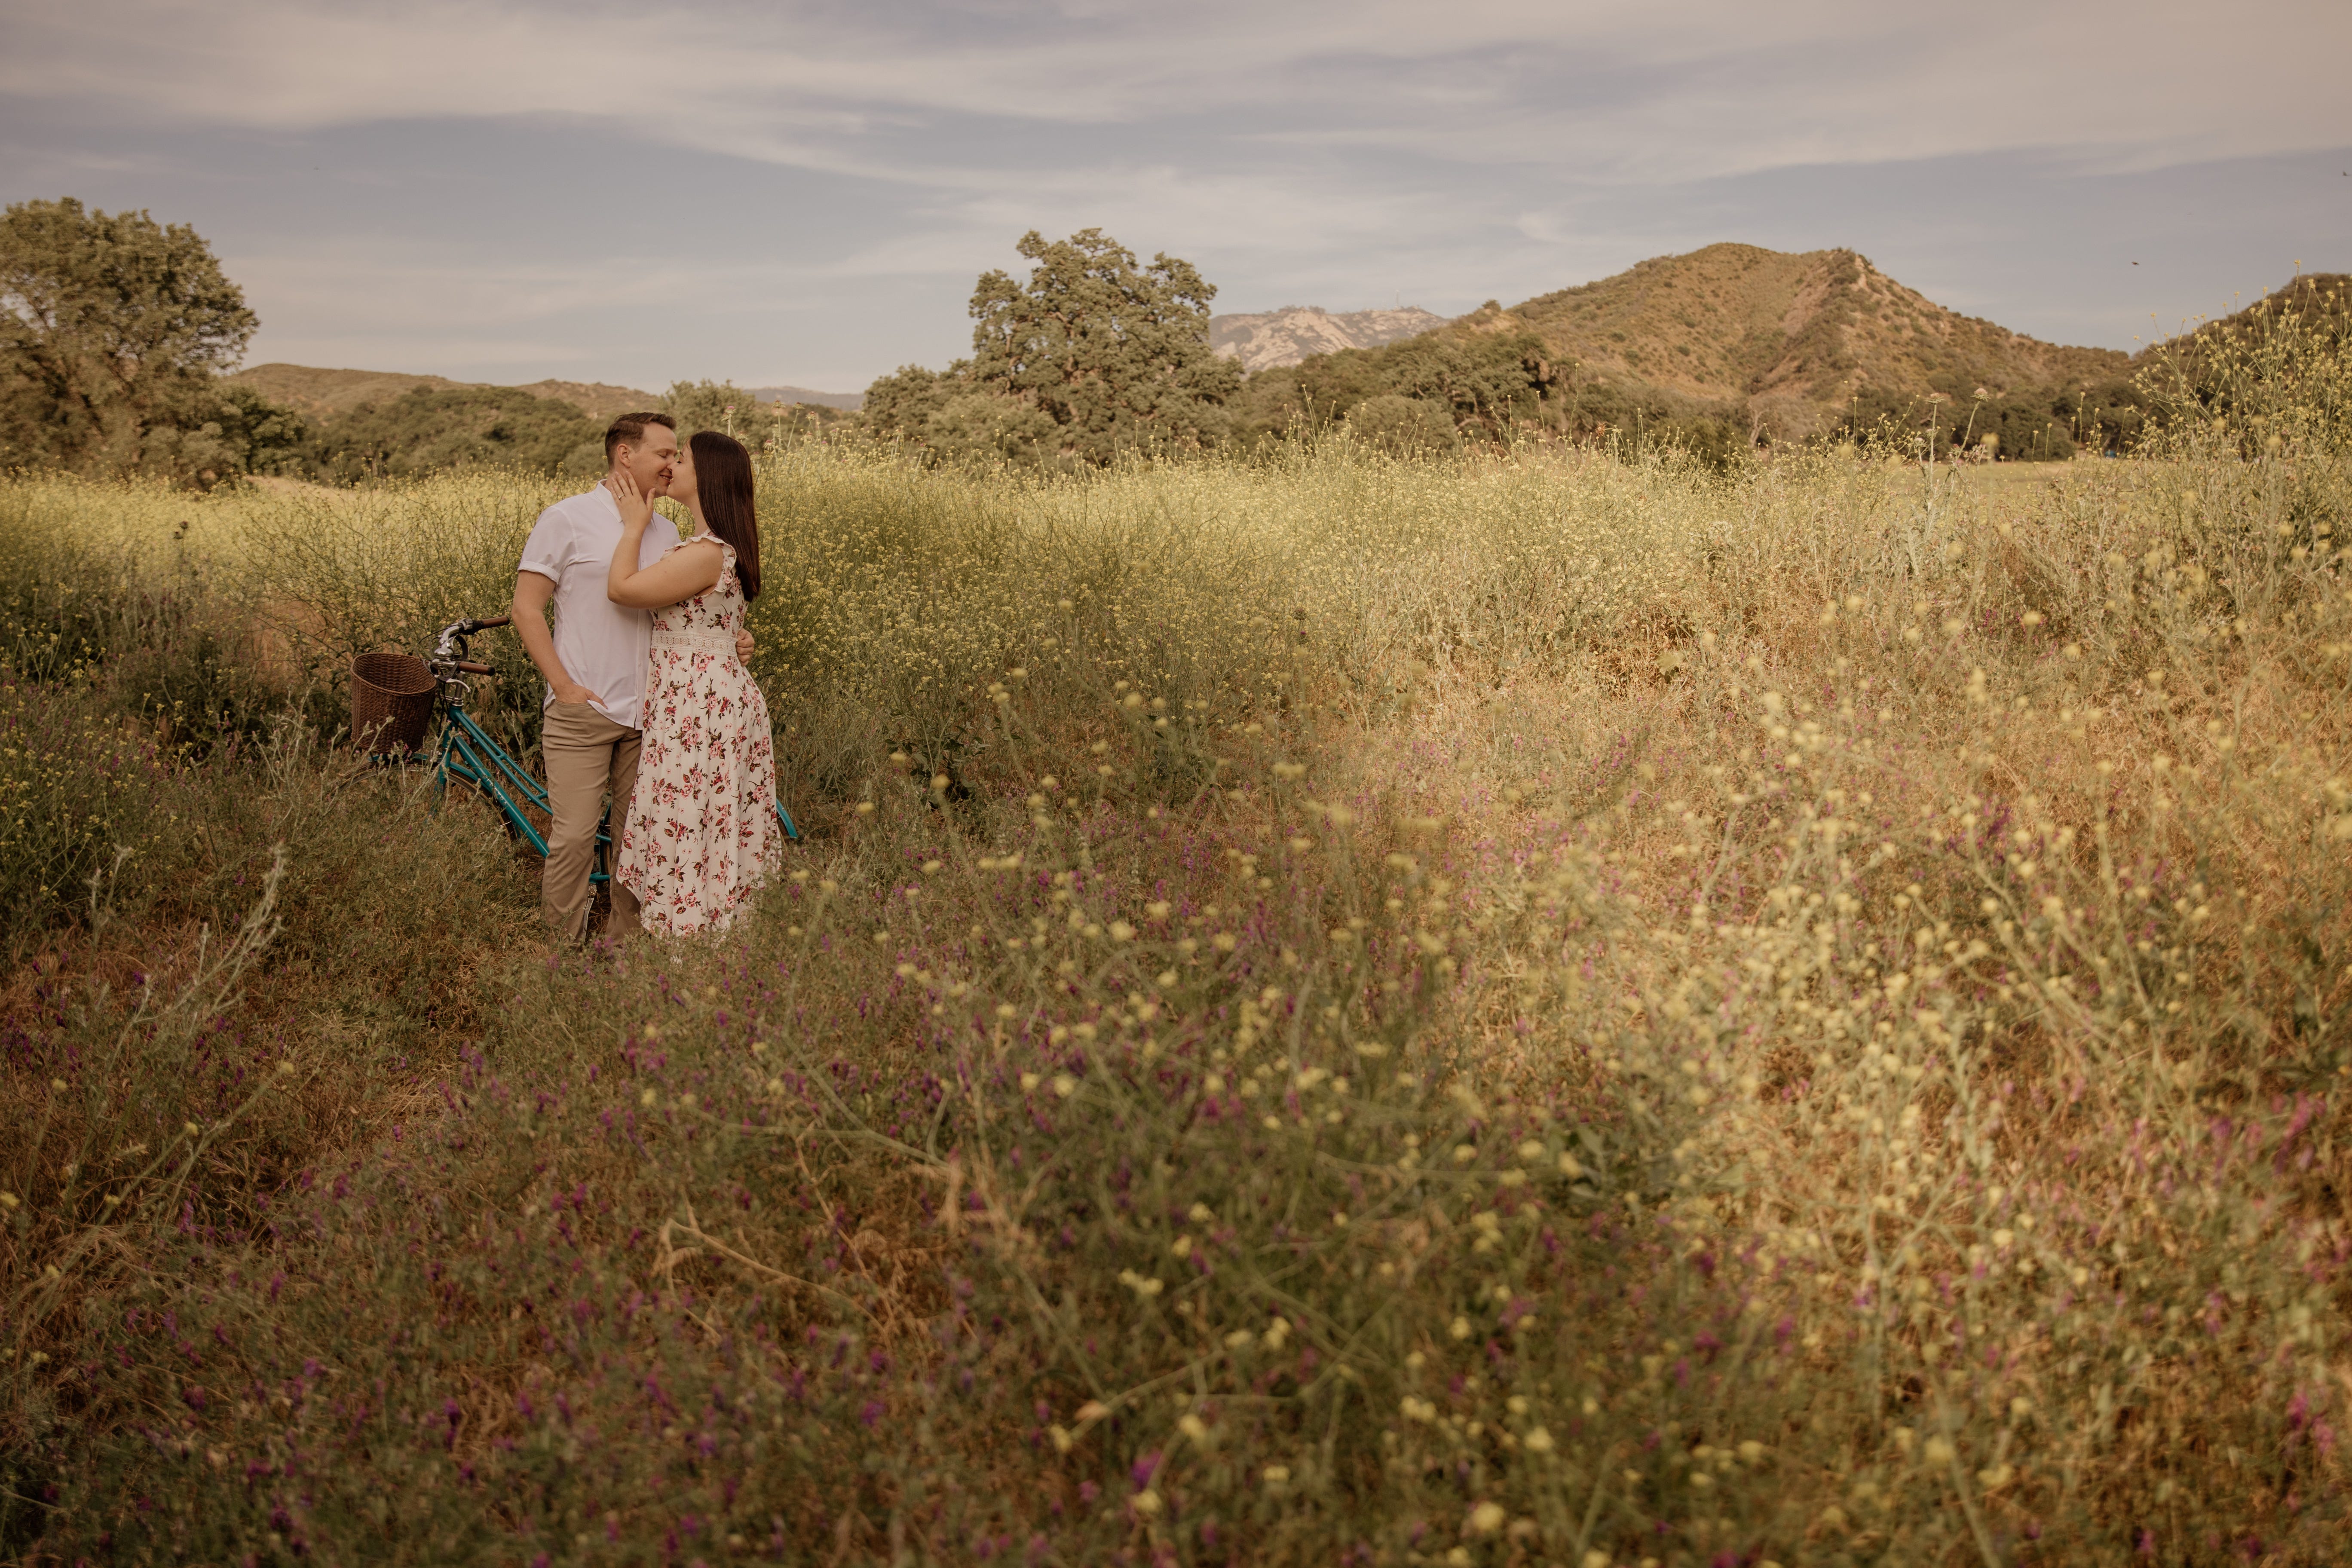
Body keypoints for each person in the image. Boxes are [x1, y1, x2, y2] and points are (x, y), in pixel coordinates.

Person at [512, 412, 753, 942]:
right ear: (626, 454)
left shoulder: (668, 530)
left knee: (638, 839)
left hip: (655, 713)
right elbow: (526, 609)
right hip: (586, 706)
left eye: (677, 456)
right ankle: (561, 951)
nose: (671, 464)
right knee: (574, 838)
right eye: (664, 454)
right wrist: (563, 687)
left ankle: (625, 951)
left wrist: (730, 638)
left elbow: (684, 605)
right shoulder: (567, 518)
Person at [605, 429, 785, 937]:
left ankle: (694, 938)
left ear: (706, 477)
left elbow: (622, 590)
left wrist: (633, 527)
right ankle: (704, 932)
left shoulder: (707, 552)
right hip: (700, 700)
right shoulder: (711, 548)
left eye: (681, 460)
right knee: (703, 816)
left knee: (691, 816)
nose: (672, 467)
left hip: (700, 708)